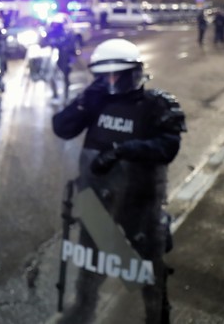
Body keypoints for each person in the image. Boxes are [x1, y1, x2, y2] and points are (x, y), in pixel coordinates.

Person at [52, 38, 186, 323]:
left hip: (140, 203)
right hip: (97, 198)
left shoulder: (155, 105)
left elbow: (168, 147)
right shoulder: (96, 102)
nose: (112, 81)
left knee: (148, 267)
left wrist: (123, 151)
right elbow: (62, 129)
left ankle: (155, 315)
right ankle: (84, 307)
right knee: (90, 260)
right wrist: (85, 101)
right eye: (105, 75)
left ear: (133, 72)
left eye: (118, 74)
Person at [42, 13, 79, 104]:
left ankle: (66, 95)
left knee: (65, 77)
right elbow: (43, 43)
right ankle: (55, 94)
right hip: (53, 60)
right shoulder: (50, 33)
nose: (56, 26)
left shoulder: (68, 34)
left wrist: (71, 58)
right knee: (51, 77)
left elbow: (72, 48)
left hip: (64, 60)